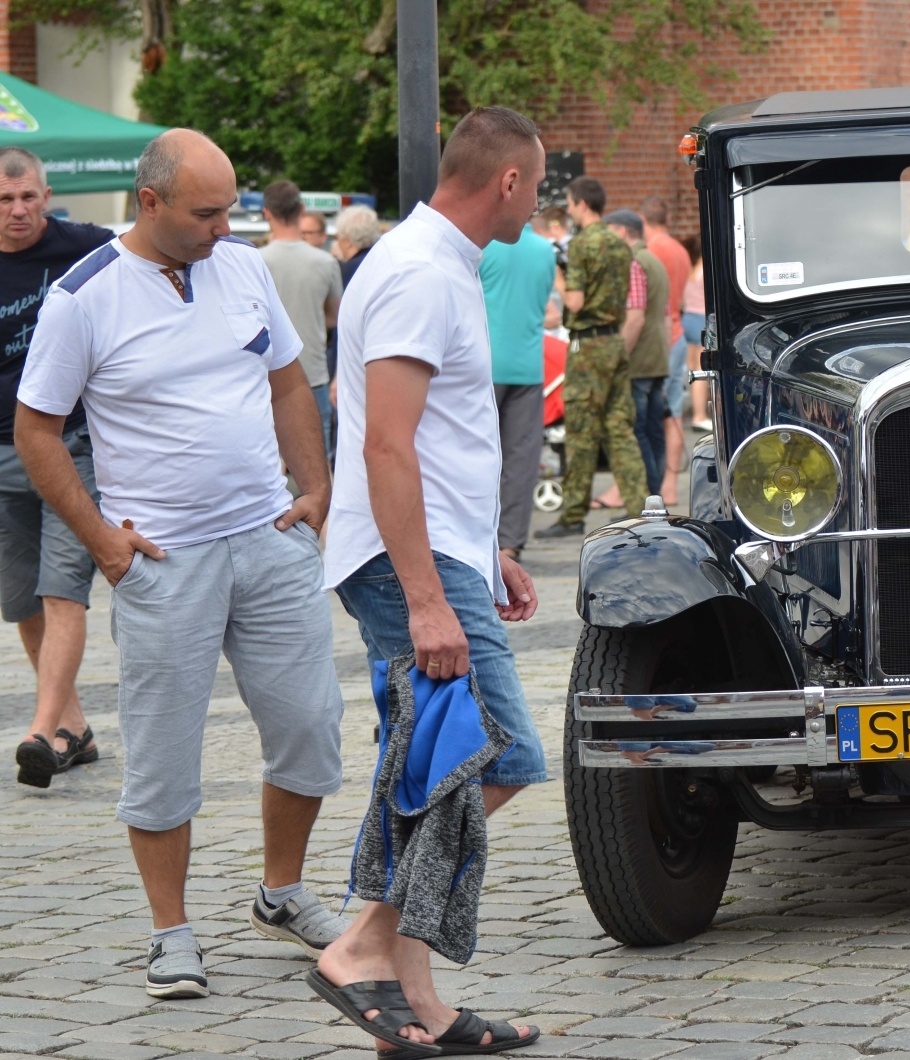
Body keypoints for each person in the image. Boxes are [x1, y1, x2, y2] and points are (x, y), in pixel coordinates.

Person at [15, 129, 346, 999]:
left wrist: (315, 489)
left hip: (268, 541)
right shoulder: (84, 296)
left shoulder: (241, 267)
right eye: (206, 213)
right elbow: (35, 430)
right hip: (164, 559)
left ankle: (281, 893)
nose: (223, 226)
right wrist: (102, 540)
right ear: (150, 202)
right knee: (164, 754)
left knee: (310, 727)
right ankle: (171, 931)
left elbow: (286, 380)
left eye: (229, 208)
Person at [316, 105, 543, 1056]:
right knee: (499, 753)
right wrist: (426, 595)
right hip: (405, 560)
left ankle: (416, 1006)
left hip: (440, 548)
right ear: (508, 181)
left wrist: (485, 550)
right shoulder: (419, 270)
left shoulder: (434, 262)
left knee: (430, 764)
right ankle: (361, 946)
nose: (538, 203)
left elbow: (438, 438)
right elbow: (384, 443)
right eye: (537, 186)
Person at [0, 147, 111, 788]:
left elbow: (149, 255)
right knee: (22, 601)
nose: (18, 210)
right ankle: (74, 727)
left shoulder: (85, 247)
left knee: (62, 587)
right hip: (3, 456)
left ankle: (42, 731)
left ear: (46, 196)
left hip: (73, 447)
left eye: (28, 197)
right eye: (4, 199)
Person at [533, 175, 646, 538]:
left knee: (581, 430)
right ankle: (640, 508)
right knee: (619, 428)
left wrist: (558, 277)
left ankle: (573, 515)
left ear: (582, 204)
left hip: (587, 345)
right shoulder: (619, 244)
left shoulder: (582, 244)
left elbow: (576, 302)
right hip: (613, 340)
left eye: (569, 204)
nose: (568, 211)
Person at [480, 207, 557, 560]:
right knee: (521, 459)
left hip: (485, 364)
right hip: (528, 364)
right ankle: (510, 542)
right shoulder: (545, 250)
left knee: (477, 456)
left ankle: (478, 536)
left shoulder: (484, 246)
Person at [260, 180, 343, 453]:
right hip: (312, 373)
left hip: (264, 375)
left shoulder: (255, 261)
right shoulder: (326, 262)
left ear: (267, 213)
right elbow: (334, 318)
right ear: (302, 210)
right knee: (318, 461)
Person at [602, 208, 668, 497]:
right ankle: (657, 498)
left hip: (638, 360)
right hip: (657, 358)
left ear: (621, 231)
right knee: (654, 431)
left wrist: (616, 358)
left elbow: (635, 319)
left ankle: (648, 501)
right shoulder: (654, 260)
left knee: (636, 432)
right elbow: (665, 316)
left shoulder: (632, 262)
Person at [640, 196, 691, 505]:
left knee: (647, 416)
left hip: (660, 338)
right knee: (673, 412)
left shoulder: (650, 251)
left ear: (643, 220)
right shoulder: (680, 250)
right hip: (678, 332)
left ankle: (649, 483)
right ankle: (670, 484)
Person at [682, 233, 708, 431]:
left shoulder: (688, 269)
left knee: (692, 368)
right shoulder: (705, 269)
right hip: (701, 319)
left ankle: (694, 409)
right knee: (701, 370)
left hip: (687, 318)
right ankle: (699, 416)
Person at [334, 204, 381, 287]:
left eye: (337, 237)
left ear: (347, 240)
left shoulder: (349, 270)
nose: (337, 242)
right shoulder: (381, 261)